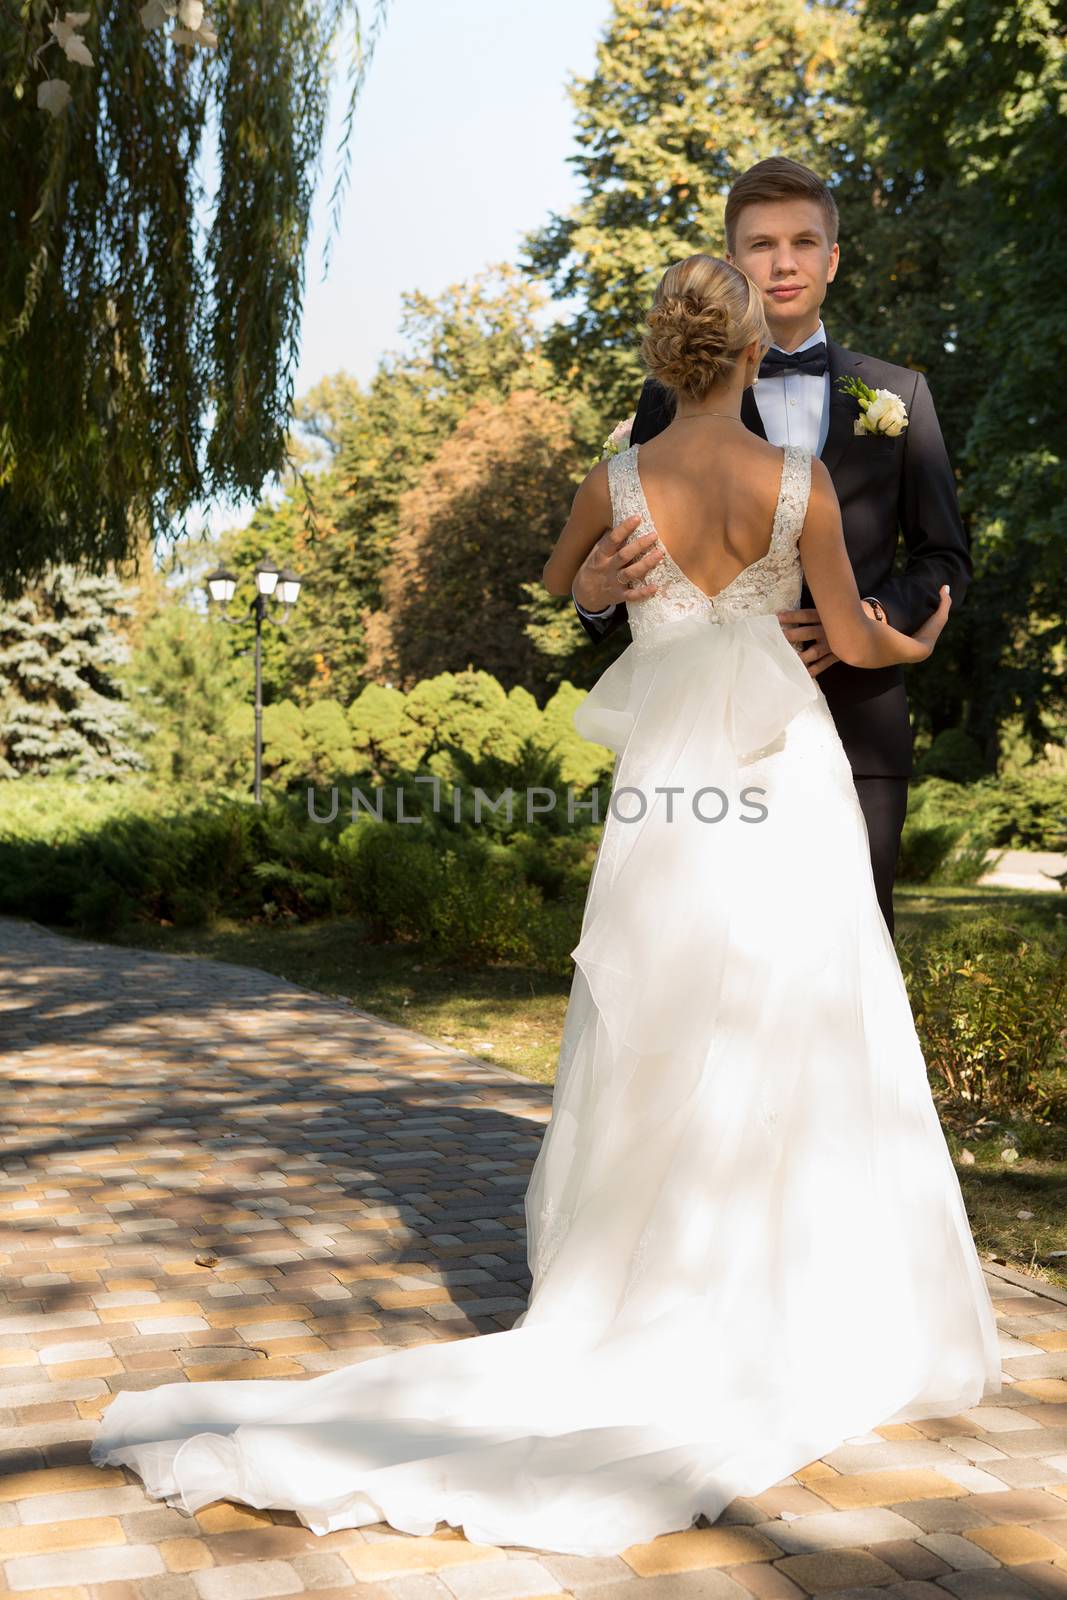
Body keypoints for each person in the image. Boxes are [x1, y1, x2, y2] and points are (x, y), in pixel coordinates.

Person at [89, 254, 1001, 1562]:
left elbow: (567, 590)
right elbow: (851, 638)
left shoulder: (612, 479)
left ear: (659, 357)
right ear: (749, 356)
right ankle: (780, 1286)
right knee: (795, 1011)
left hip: (663, 783)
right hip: (774, 773)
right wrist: (912, 639)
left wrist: (596, 591)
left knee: (655, 1016)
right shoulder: (790, 482)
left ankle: (639, 1281)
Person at [572, 156, 973, 935]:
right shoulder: (668, 399)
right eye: (759, 245)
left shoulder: (902, 396)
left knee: (848, 964)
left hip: (858, 731)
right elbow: (631, 560)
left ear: (831, 257)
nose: (782, 262)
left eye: (802, 241)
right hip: (705, 744)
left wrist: (854, 618)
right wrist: (592, 596)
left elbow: (943, 558)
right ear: (730, 261)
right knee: (695, 950)